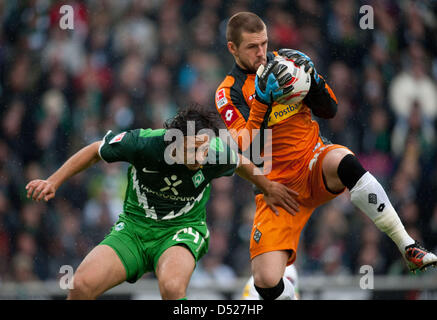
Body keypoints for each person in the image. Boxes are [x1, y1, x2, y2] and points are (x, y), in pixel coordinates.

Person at [215, 12, 437, 300]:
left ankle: (408, 246)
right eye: (252, 47)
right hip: (277, 188)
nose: (262, 54)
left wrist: (315, 80)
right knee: (266, 281)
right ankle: (290, 281)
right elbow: (246, 147)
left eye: (264, 44)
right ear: (232, 48)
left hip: (313, 161)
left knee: (345, 161)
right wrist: (261, 102)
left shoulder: (286, 64)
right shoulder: (227, 92)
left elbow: (330, 109)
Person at [25, 104, 298, 300]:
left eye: (205, 150)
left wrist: (268, 187)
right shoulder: (144, 144)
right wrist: (53, 181)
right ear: (173, 143)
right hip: (133, 229)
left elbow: (242, 163)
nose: (201, 157)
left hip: (182, 230)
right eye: (193, 149)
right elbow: (95, 151)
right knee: (81, 286)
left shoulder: (214, 152)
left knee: (171, 288)